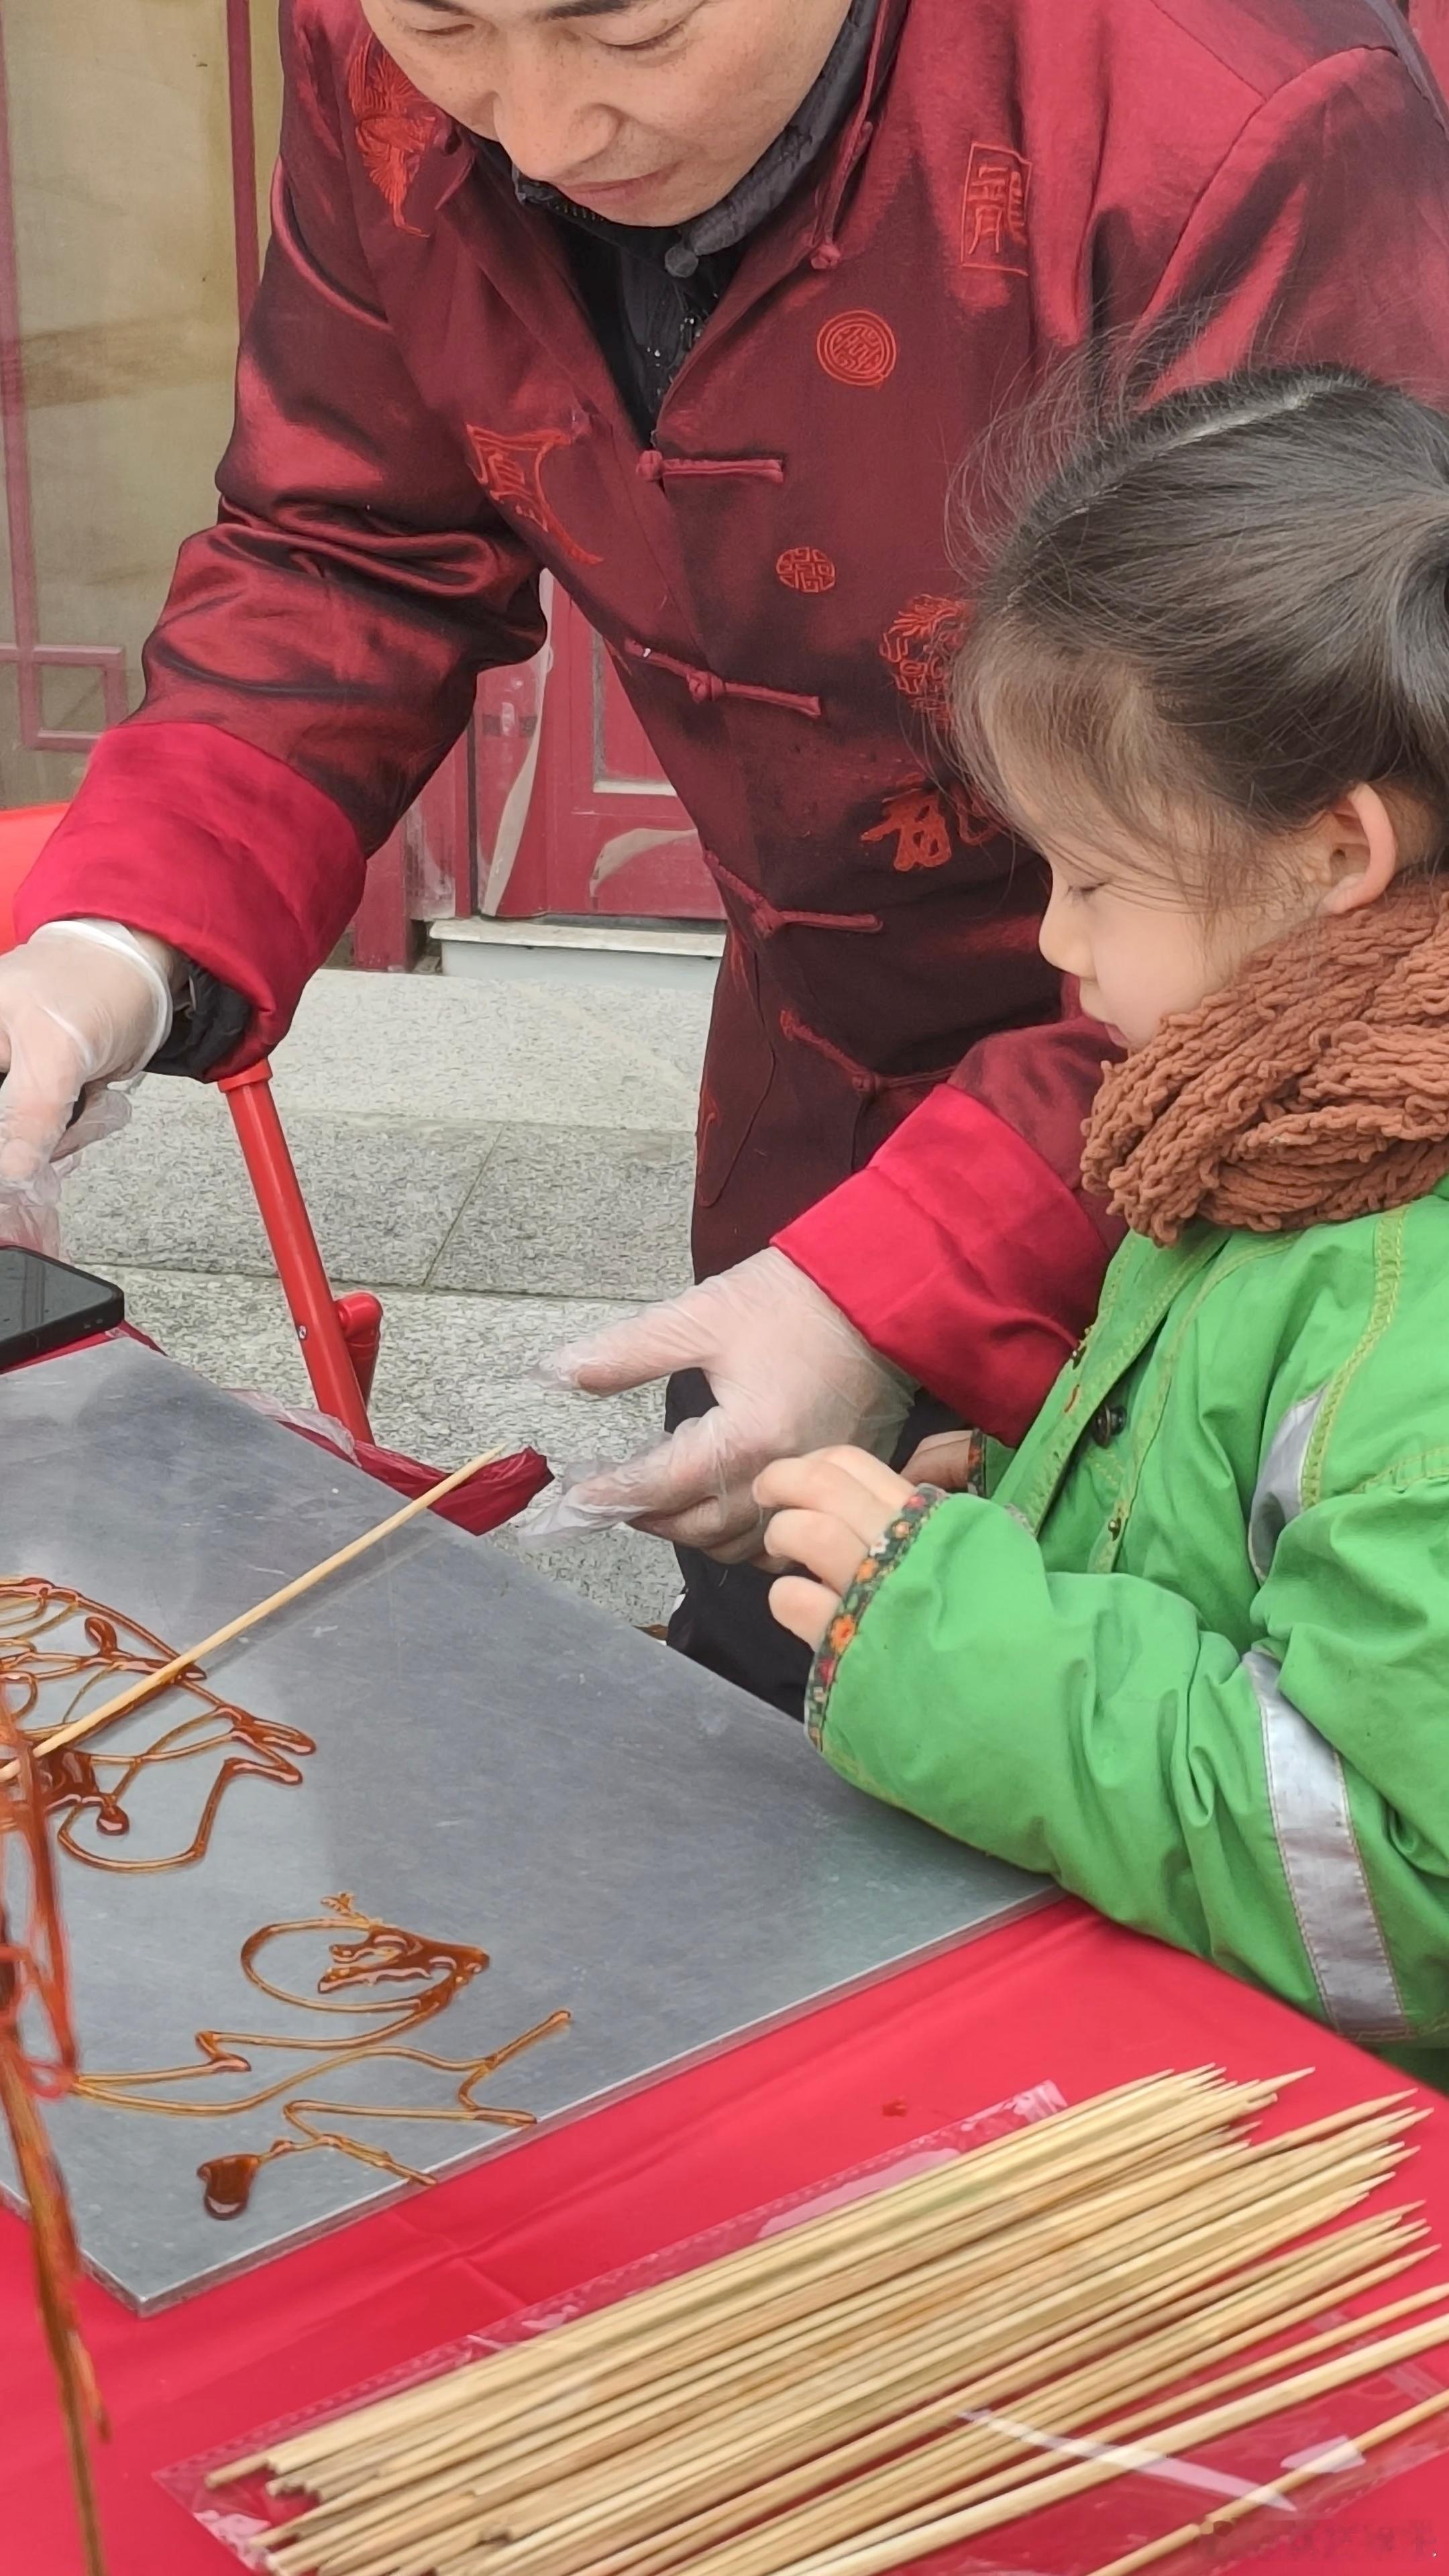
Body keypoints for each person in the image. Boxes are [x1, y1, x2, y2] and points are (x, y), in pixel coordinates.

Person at [5, 0, 1449, 1715]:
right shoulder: (385, 58)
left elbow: (1332, 813)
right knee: (762, 1671)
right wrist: (108, 946)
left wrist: (904, 1282)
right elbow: (346, 547)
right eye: (446, 26)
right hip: (814, 1063)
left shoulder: (1235, 112)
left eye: (633, 29)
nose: (539, 137)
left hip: (1234, 1098)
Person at [757, 363, 1449, 2071]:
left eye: (1095, 876)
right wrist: (1033, 1512)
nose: (1059, 943)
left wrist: (956, 1645)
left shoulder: (1406, 1284)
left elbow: (1400, 1884)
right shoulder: (1280, 1106)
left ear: (1333, 856)